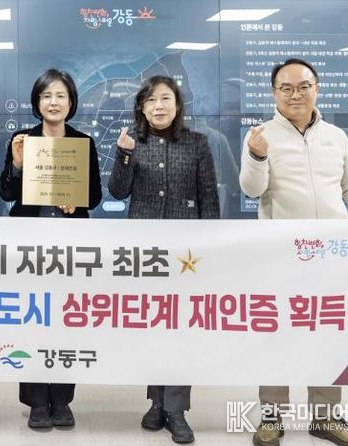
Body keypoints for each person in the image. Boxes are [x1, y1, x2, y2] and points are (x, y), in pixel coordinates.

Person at [240, 58, 348, 446]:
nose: (295, 94)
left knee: (328, 333)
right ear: (274, 93)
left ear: (317, 88)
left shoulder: (335, 136)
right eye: (286, 88)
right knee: (277, 334)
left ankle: (325, 418)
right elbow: (252, 190)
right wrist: (257, 156)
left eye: (303, 86)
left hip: (331, 254)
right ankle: (272, 416)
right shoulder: (260, 136)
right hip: (281, 254)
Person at [108, 75, 220, 444]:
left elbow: (209, 198)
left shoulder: (197, 143)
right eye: (152, 100)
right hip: (145, 254)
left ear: (177, 105)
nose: (159, 106)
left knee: (181, 330)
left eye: (166, 99)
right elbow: (117, 191)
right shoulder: (132, 142)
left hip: (186, 255)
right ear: (141, 107)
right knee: (153, 327)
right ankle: (156, 402)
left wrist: (211, 248)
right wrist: (124, 155)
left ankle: (176, 409)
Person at [0, 68, 102, 428]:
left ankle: (62, 400)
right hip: (30, 247)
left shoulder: (83, 142)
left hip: (70, 247)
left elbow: (94, 195)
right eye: (46, 96)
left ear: (71, 102)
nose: (53, 102)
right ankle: (36, 402)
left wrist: (78, 201)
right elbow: (6, 193)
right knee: (32, 320)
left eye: (60, 96)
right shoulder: (23, 140)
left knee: (65, 319)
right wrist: (16, 164)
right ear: (37, 102)